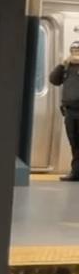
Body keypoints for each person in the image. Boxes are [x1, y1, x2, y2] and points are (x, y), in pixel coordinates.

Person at [50, 41, 79, 182]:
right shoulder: (67, 67)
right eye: (73, 49)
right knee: (74, 143)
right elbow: (54, 80)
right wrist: (62, 64)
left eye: (78, 49)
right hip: (70, 111)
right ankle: (76, 173)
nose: (75, 52)